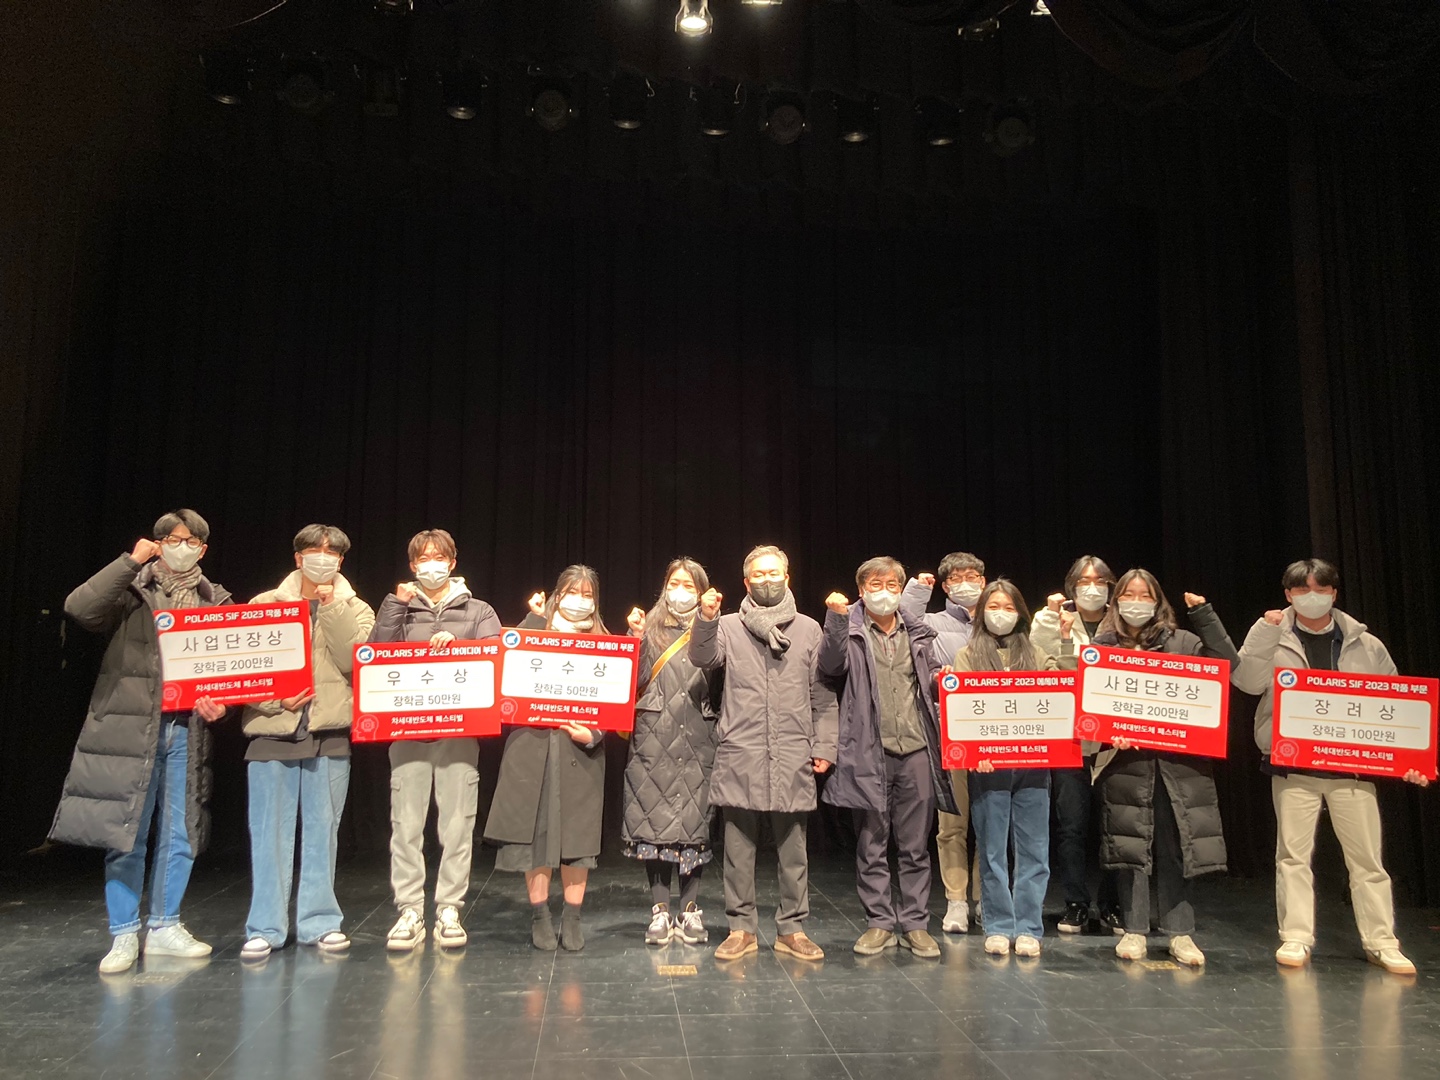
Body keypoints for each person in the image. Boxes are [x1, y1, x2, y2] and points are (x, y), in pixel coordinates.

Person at [52, 511, 230, 974]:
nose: (181, 546)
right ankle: (124, 933)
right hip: (130, 726)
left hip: (186, 728)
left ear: (203, 549)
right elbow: (80, 608)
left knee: (181, 830)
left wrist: (221, 703)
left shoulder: (217, 600)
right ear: (156, 542)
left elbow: (228, 669)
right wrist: (130, 561)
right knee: (125, 831)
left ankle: (166, 925)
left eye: (190, 541)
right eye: (172, 538)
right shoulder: (132, 588)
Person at [1232, 558, 1427, 975]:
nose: (1312, 597)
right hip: (1293, 765)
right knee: (1292, 856)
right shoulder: (1273, 634)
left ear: (1334, 593)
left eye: (1321, 589)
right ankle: (1296, 936)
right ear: (1288, 594)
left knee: (1368, 860)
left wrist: (1409, 762)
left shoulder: (1366, 644)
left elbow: (1397, 704)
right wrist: (1265, 631)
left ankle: (1382, 941)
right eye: (1302, 590)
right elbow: (1246, 681)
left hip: (1351, 769)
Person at [689, 544, 838, 962]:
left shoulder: (808, 629)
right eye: (759, 574)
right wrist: (705, 618)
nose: (767, 580)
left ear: (787, 578)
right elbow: (702, 657)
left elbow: (822, 694)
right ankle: (741, 928)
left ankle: (792, 929)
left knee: (794, 852)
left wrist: (825, 744)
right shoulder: (727, 626)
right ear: (746, 582)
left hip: (792, 750)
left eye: (774, 573)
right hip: (742, 748)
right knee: (738, 850)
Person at [238, 525, 375, 962]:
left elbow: (354, 660)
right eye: (314, 551)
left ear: (341, 561)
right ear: (298, 558)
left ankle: (320, 922)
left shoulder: (358, 608)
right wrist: (274, 700)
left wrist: (331, 608)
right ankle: (265, 927)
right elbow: (243, 670)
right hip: (272, 731)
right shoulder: (264, 604)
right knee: (269, 835)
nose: (323, 558)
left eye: (332, 553)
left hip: (329, 733)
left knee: (322, 833)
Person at [1093, 568, 1238, 967]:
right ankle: (1134, 930)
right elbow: (1091, 704)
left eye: (1145, 596)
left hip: (1180, 763)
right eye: (1128, 595)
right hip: (1127, 761)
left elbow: (1227, 665)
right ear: (1116, 602)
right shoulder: (1104, 645)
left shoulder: (1183, 642)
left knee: (1177, 844)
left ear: (1157, 602)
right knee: (1130, 846)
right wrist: (1108, 732)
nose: (1136, 603)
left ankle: (1180, 933)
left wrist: (1204, 615)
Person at [370, 529, 502, 952]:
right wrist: (396, 604)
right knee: (405, 826)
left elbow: (497, 657)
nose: (432, 564)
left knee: (457, 826)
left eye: (439, 557)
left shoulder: (478, 610)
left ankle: (449, 909)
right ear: (413, 566)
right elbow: (374, 657)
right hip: (408, 731)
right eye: (424, 558)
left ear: (452, 562)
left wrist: (459, 645)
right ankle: (410, 911)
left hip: (458, 733)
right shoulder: (400, 607)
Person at [819, 556, 955, 960]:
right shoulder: (851, 628)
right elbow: (830, 665)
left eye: (892, 585)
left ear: (900, 590)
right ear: (862, 591)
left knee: (915, 847)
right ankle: (879, 922)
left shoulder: (918, 632)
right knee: (872, 843)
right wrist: (836, 619)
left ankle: (915, 925)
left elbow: (929, 680)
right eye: (875, 585)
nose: (884, 592)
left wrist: (943, 679)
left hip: (915, 750)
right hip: (868, 750)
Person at [484, 566, 610, 952]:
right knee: (535, 837)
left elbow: (614, 701)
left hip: (579, 751)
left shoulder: (604, 642)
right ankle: (540, 916)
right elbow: (507, 667)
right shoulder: (535, 629)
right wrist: (535, 618)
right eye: (572, 592)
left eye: (587, 595)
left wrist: (595, 733)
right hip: (532, 747)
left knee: (577, 839)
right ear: (558, 594)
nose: (579, 601)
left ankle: (572, 918)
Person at [954, 580, 1075, 958]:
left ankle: (1028, 927)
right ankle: (998, 925)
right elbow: (960, 711)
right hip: (988, 767)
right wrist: (974, 751)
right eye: (994, 606)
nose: (1001, 614)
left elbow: (1067, 687)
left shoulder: (1035, 652)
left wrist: (1066, 640)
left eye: (1008, 607)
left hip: (1033, 765)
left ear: (1020, 613)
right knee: (991, 851)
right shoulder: (968, 655)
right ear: (982, 612)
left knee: (1034, 851)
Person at [622, 558, 722, 946]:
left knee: (695, 827)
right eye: (674, 583)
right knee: (655, 825)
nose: (681, 592)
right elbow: (632, 679)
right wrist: (635, 637)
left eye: (689, 586)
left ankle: (690, 910)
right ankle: (660, 911)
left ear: (702, 592)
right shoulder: (647, 626)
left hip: (699, 735)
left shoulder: (715, 628)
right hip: (653, 737)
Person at [1031, 555, 1122, 934]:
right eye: (1084, 581)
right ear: (1071, 586)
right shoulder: (1052, 620)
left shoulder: (1124, 621)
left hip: (1115, 743)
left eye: (1100, 581)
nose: (1092, 587)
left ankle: (1113, 903)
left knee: (1116, 827)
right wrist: (1058, 627)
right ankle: (1075, 903)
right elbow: (1045, 668)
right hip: (1069, 740)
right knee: (1071, 827)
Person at [900, 552, 985, 934]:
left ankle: (986, 899)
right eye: (956, 579)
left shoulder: (998, 619)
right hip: (951, 733)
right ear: (946, 586)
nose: (966, 584)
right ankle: (956, 901)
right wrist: (918, 590)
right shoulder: (934, 623)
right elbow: (902, 621)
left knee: (992, 824)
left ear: (983, 582)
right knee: (952, 823)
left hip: (994, 736)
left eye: (972, 577)